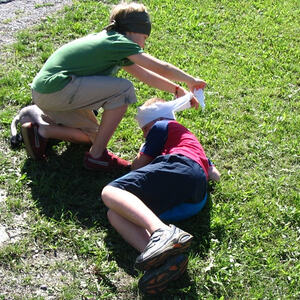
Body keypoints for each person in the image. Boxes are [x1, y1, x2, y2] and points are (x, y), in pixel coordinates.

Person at [21, 1, 206, 170]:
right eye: (144, 38)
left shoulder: (111, 42)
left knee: (95, 134)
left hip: (47, 93)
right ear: (132, 30)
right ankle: (97, 156)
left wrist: (176, 90)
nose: (143, 45)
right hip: (58, 88)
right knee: (123, 89)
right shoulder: (118, 42)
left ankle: (42, 131)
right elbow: (160, 68)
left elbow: (145, 75)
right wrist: (190, 80)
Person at [101, 96, 220, 294]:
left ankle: (161, 232)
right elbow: (214, 175)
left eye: (144, 130)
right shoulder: (190, 142)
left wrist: (142, 152)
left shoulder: (162, 126)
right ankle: (165, 261)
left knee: (111, 192)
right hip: (196, 199)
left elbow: (137, 167)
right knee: (116, 212)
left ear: (154, 122)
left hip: (180, 166)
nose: (145, 136)